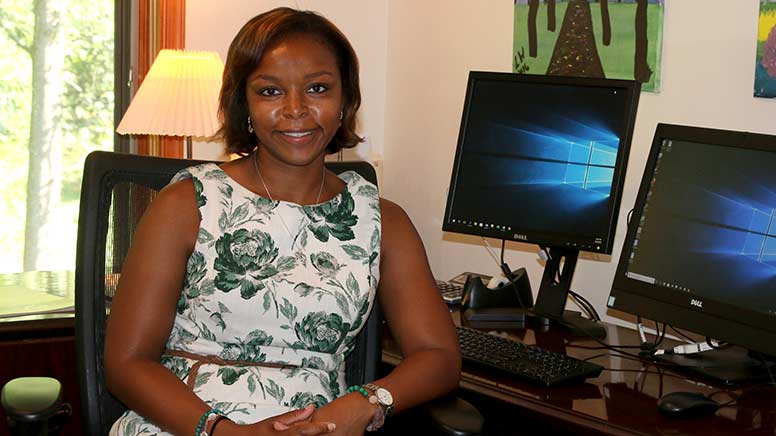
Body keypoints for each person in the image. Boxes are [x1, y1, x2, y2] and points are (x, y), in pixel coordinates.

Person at [104, 7, 460, 436]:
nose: (296, 109)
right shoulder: (186, 205)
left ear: (345, 101)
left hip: (320, 426)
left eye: (317, 88)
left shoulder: (383, 221)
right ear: (244, 104)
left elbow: (439, 355)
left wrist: (367, 401)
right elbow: (127, 363)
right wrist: (228, 433)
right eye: (271, 92)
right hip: (191, 422)